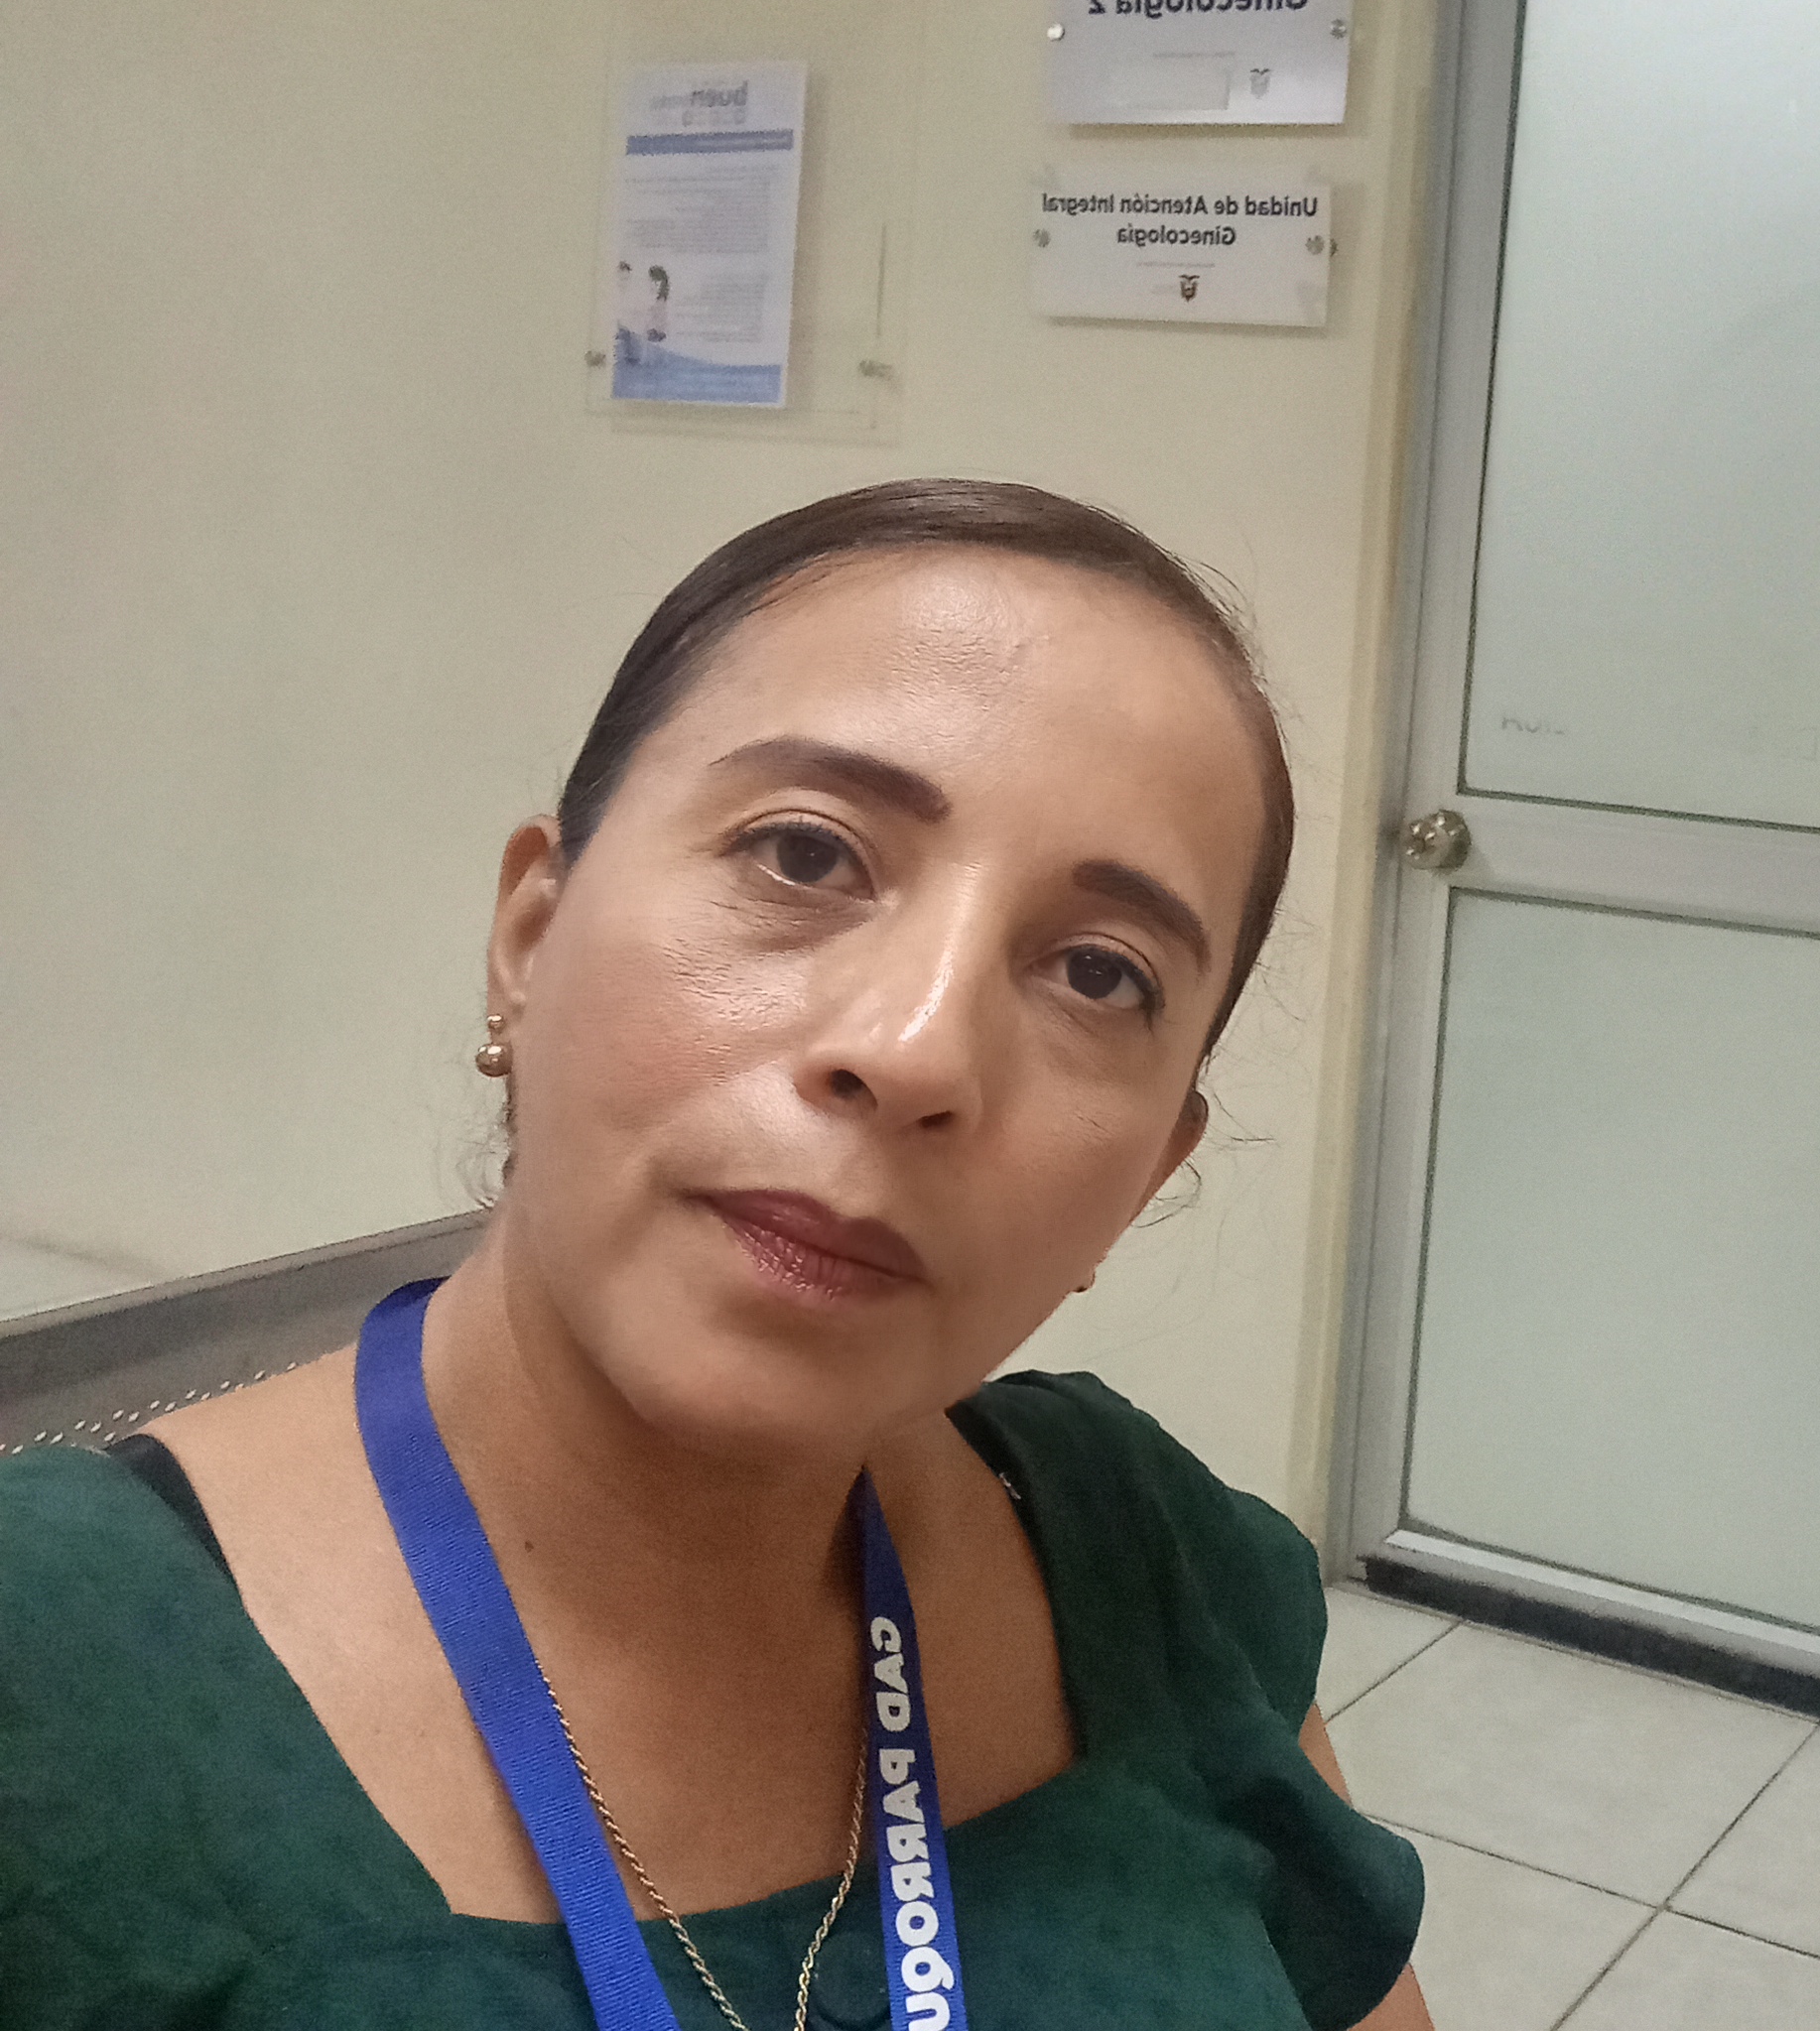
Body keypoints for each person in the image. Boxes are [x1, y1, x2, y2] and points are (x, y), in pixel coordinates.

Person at [0, 479, 1433, 2029]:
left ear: (1150, 1169)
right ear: (531, 936)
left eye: (1100, 973)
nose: (916, 1049)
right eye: (806, 855)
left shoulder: (1150, 1567)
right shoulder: (54, 1663)